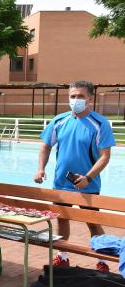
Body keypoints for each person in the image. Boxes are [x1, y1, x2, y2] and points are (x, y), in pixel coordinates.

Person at [35, 80, 116, 271]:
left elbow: (105, 157)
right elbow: (45, 146)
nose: (76, 100)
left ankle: (103, 261)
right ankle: (62, 257)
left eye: (80, 96)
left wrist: (87, 177)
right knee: (62, 220)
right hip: (61, 184)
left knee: (93, 223)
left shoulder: (100, 124)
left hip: (88, 185)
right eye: (73, 96)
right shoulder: (59, 121)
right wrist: (41, 168)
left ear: (90, 98)